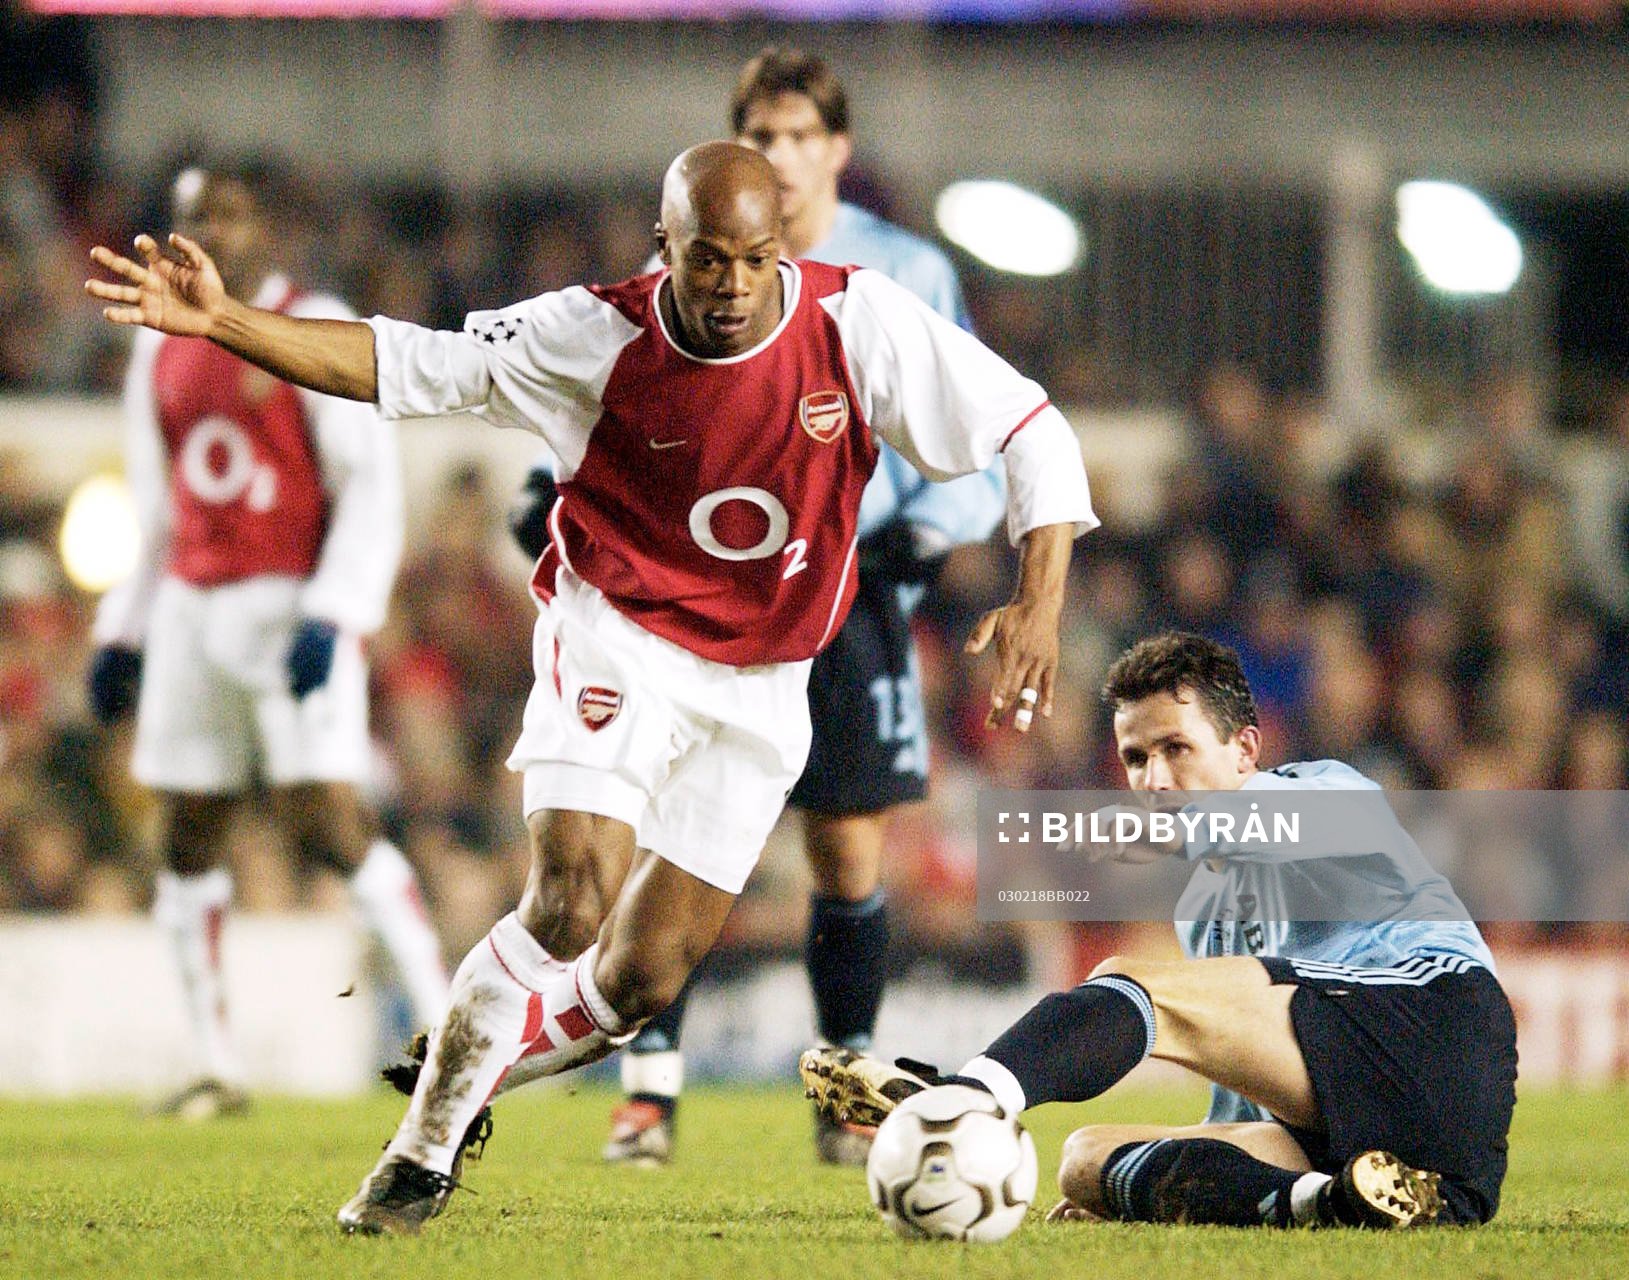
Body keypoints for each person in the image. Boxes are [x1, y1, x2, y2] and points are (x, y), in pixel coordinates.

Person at [87, 141, 1097, 1234]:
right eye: (708, 258)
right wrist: (223, 320)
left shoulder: (860, 324)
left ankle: (466, 1068)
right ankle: (417, 1158)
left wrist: (1041, 597)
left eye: (756, 259)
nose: (733, 283)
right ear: (665, 247)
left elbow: (1029, 428)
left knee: (642, 981)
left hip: (764, 681)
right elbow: (401, 363)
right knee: (570, 899)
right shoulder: (589, 333)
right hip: (622, 638)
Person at [505, 46, 1008, 1168]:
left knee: (847, 848)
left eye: (797, 136)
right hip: (695, 589)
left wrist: (928, 536)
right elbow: (611, 392)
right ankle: (647, 1091)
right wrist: (542, 497)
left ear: (835, 149)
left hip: (851, 579)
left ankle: (846, 1080)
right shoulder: (700, 269)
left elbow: (968, 422)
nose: (778, 156)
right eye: (761, 136)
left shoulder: (901, 273)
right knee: (665, 833)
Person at [803, 631, 1518, 1229]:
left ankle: (964, 1096)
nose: (1153, 778)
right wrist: (1148, 1188)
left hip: (1436, 1028)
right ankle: (1340, 1202)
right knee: (1086, 1161)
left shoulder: (1324, 791)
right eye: (1136, 758)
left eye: (1176, 748)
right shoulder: (1201, 906)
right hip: (1400, 1145)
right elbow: (1240, 1094)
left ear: (1244, 750)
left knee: (1133, 981)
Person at [86, 163, 450, 1118]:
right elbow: (158, 505)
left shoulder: (305, 320)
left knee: (328, 822)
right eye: (195, 215)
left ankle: (453, 1031)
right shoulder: (156, 337)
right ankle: (214, 1061)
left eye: (230, 215)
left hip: (287, 602)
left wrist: (334, 614)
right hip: (193, 610)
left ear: (265, 228)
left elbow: (368, 484)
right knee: (188, 834)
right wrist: (122, 627)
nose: (212, 230)